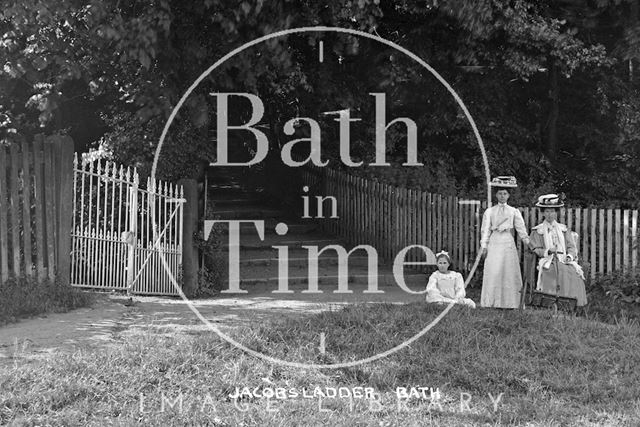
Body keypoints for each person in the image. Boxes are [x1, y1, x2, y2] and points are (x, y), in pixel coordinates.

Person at [480, 176, 531, 308]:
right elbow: (485, 230)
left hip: (507, 241)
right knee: (493, 269)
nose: (502, 196)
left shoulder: (513, 211)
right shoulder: (490, 211)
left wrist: (528, 242)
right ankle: (491, 302)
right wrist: (484, 246)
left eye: (505, 194)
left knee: (508, 271)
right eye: (500, 193)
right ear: (496, 195)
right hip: (495, 240)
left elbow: (521, 229)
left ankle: (511, 303)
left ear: (508, 195)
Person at [528, 194, 587, 306]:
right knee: (551, 271)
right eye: (547, 212)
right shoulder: (538, 231)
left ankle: (569, 304)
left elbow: (571, 247)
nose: (550, 215)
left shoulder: (563, 229)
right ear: (543, 213)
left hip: (563, 259)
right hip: (548, 260)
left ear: (556, 213)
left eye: (552, 211)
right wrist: (548, 251)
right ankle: (549, 303)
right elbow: (535, 248)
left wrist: (569, 257)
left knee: (572, 273)